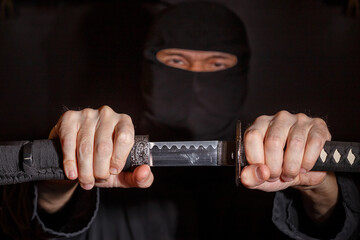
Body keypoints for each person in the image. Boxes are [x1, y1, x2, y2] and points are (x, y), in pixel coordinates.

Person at [1, 2, 359, 239]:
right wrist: (57, 179)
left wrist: (321, 192)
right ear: (148, 68)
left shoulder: (272, 162)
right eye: (176, 61)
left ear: (242, 71)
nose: (196, 78)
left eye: (217, 64)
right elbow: (30, 228)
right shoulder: (110, 155)